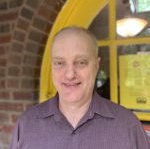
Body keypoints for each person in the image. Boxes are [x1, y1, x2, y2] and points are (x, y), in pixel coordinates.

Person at [10, 26, 150, 149]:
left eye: (81, 62)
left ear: (96, 65)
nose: (70, 74)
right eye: (60, 63)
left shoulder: (128, 126)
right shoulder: (26, 125)